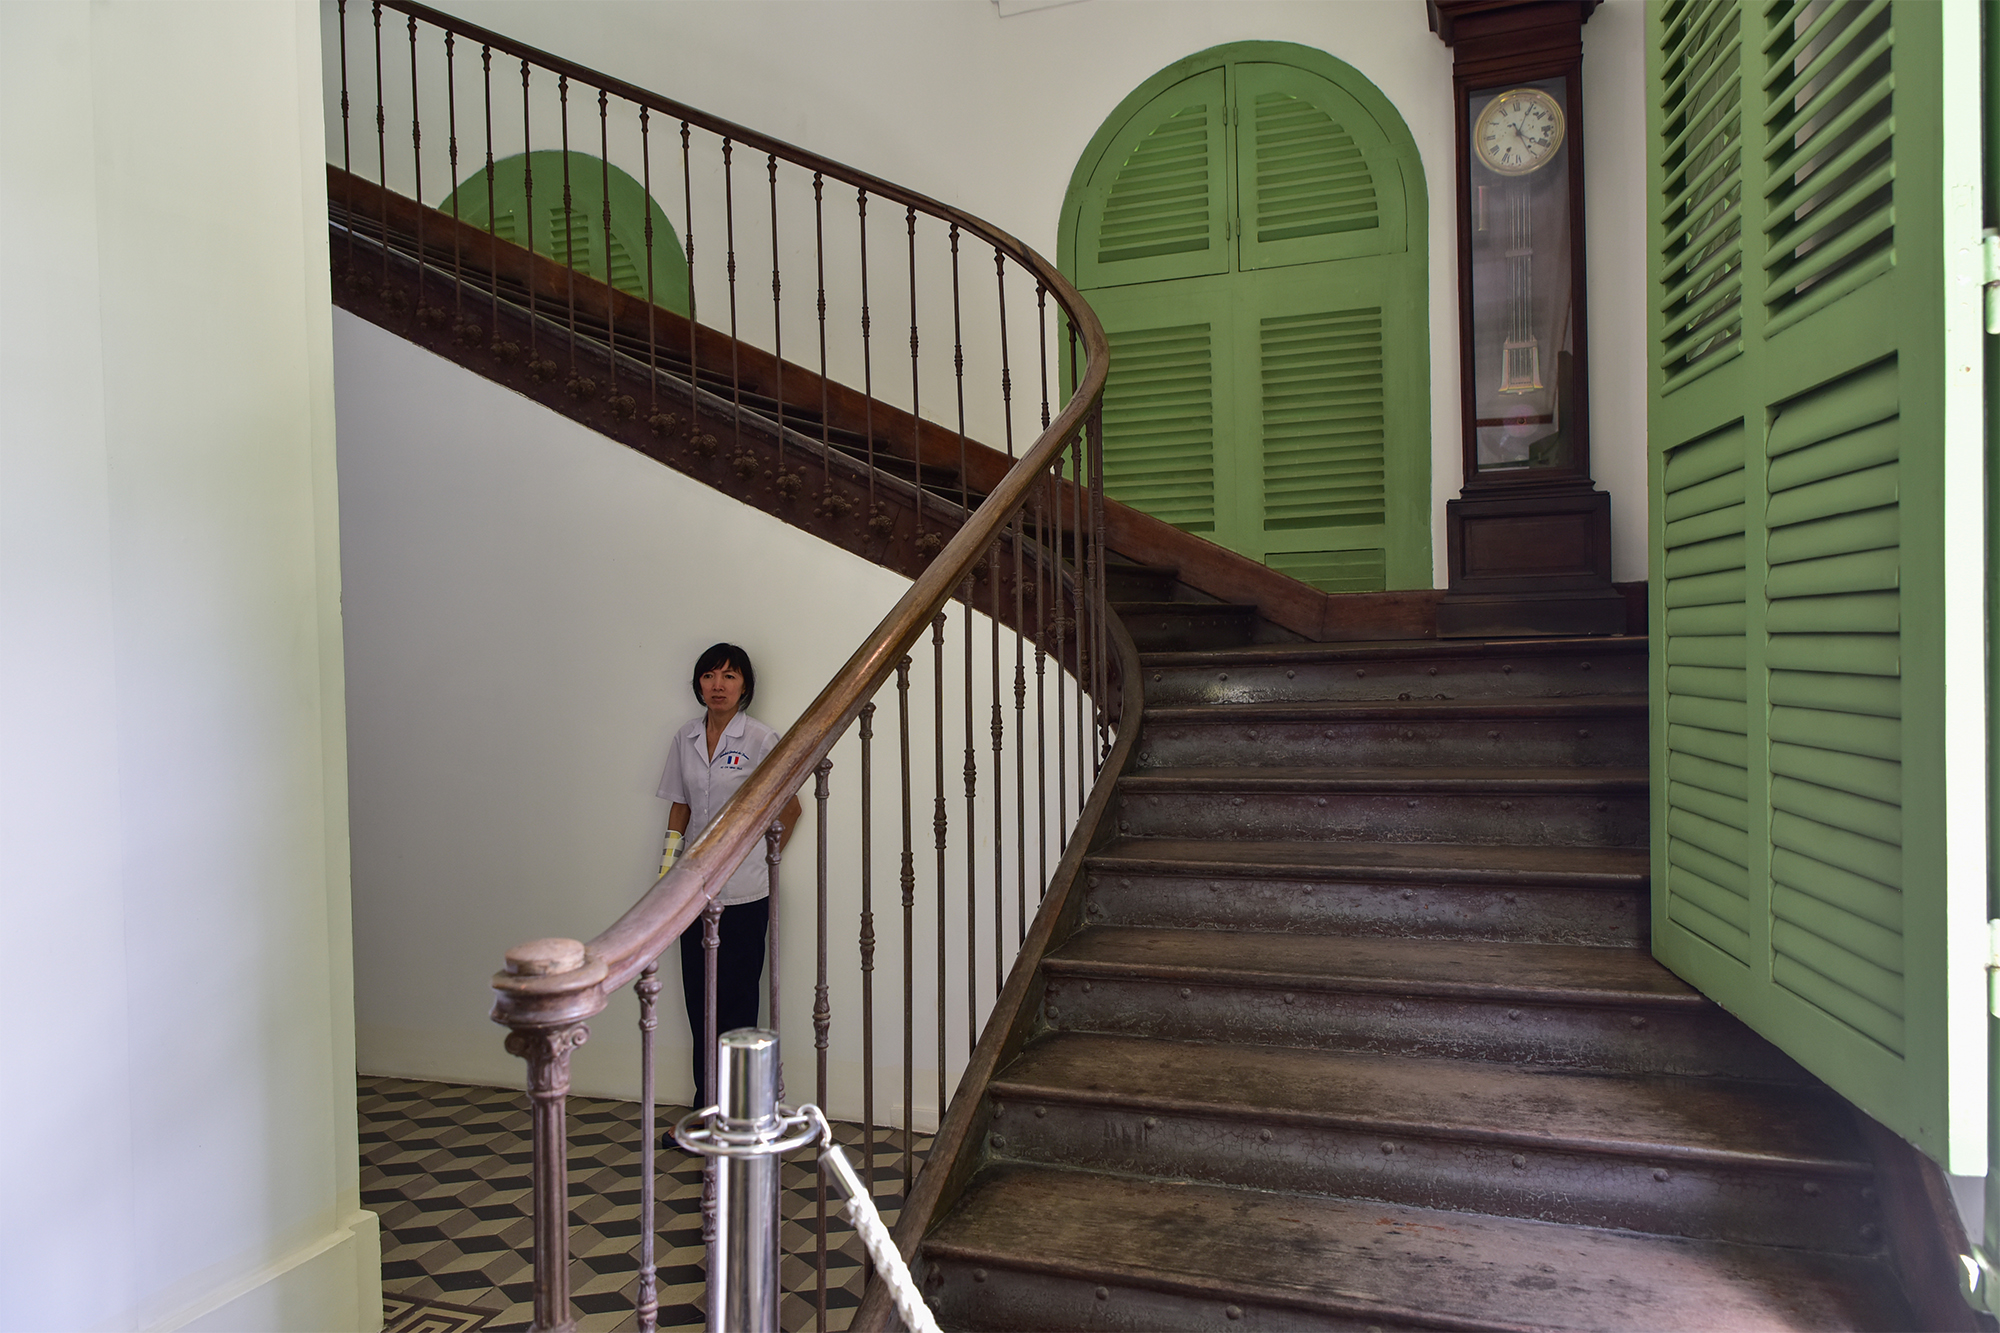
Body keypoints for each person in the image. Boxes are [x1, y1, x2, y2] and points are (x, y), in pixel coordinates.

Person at [655, 642, 801, 1113]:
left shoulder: (760, 739)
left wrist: (755, 857)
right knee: (700, 1005)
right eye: (709, 676)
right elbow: (681, 806)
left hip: (744, 894)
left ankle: (743, 1114)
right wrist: (667, 870)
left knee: (737, 1007)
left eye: (729, 676)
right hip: (691, 891)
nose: (718, 685)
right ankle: (708, 1110)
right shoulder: (685, 738)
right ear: (698, 684)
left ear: (744, 686)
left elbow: (790, 808)